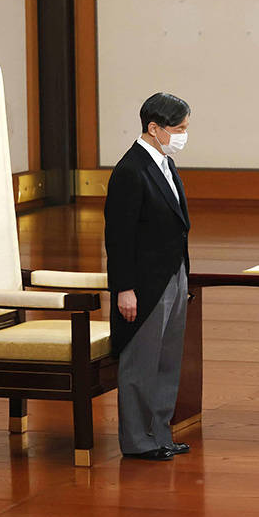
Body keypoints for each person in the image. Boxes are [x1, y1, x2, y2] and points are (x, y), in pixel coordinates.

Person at [105, 92, 192, 461]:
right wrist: (124, 288)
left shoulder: (165, 163)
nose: (183, 135)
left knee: (166, 360)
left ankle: (160, 434)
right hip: (144, 283)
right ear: (154, 128)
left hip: (173, 273)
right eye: (179, 128)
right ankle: (139, 441)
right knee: (141, 362)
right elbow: (119, 237)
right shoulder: (130, 170)